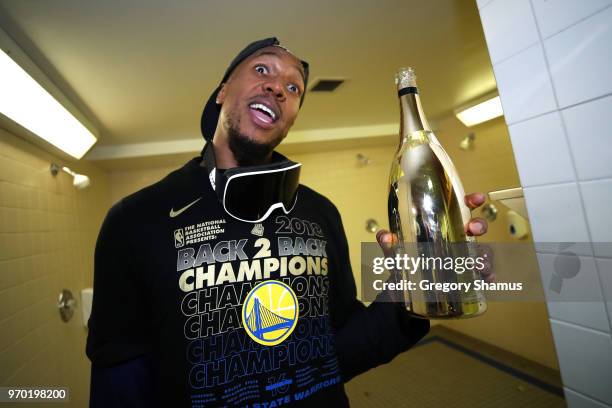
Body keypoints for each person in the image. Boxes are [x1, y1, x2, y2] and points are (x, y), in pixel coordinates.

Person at [86, 37, 489, 407]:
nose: (278, 87)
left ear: (292, 117)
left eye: (293, 88)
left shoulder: (320, 213)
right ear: (222, 91)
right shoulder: (135, 220)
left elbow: (340, 351)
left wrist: (413, 290)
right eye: (262, 70)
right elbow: (119, 382)